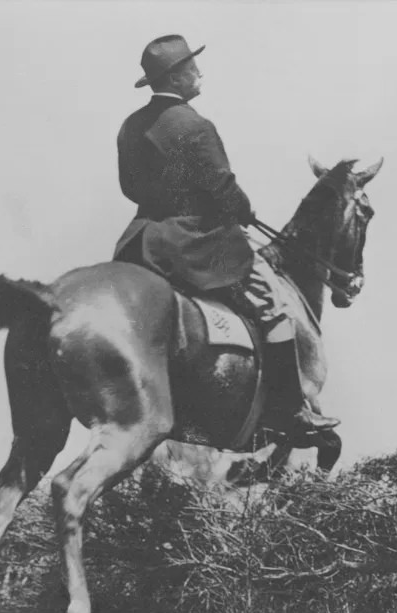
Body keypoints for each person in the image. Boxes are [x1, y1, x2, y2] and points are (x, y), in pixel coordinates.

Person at [113, 34, 339, 436]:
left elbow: (129, 189)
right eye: (193, 68)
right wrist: (242, 208)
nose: (199, 73)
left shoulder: (131, 126)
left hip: (141, 238)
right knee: (272, 304)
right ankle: (291, 412)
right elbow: (221, 188)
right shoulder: (195, 125)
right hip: (194, 241)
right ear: (179, 77)